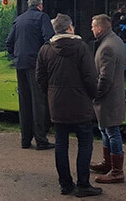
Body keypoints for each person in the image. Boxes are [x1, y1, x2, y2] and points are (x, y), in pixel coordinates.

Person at [36, 14, 101, 197]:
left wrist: (50, 94)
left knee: (61, 144)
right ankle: (83, 185)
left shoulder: (45, 49)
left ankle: (65, 185)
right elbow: (90, 77)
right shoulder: (81, 47)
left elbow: (39, 79)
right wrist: (93, 95)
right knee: (85, 143)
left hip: (57, 105)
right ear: (70, 28)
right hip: (80, 105)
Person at [5, 0, 55, 150]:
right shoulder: (42, 17)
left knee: (24, 102)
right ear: (40, 5)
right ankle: (41, 140)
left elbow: (9, 42)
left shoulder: (19, 19)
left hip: (20, 64)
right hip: (36, 65)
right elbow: (50, 39)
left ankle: (25, 140)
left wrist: (17, 55)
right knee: (38, 102)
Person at [89, 14, 126, 183]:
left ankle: (117, 171)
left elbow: (105, 78)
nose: (91, 29)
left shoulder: (107, 47)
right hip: (113, 96)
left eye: (92, 26)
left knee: (112, 132)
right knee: (104, 129)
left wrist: (95, 94)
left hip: (108, 98)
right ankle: (107, 164)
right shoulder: (116, 40)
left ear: (100, 28)